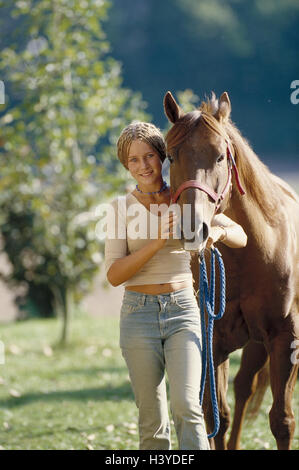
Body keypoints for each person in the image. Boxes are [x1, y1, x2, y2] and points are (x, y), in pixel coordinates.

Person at [104, 121, 247, 450]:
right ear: (126, 165)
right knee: (152, 419)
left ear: (164, 157)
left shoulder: (186, 200)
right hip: (137, 315)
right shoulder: (119, 209)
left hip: (183, 310)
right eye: (134, 160)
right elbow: (114, 275)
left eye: (150, 156)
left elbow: (241, 236)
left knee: (187, 407)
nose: (143, 166)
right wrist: (156, 242)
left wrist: (218, 232)